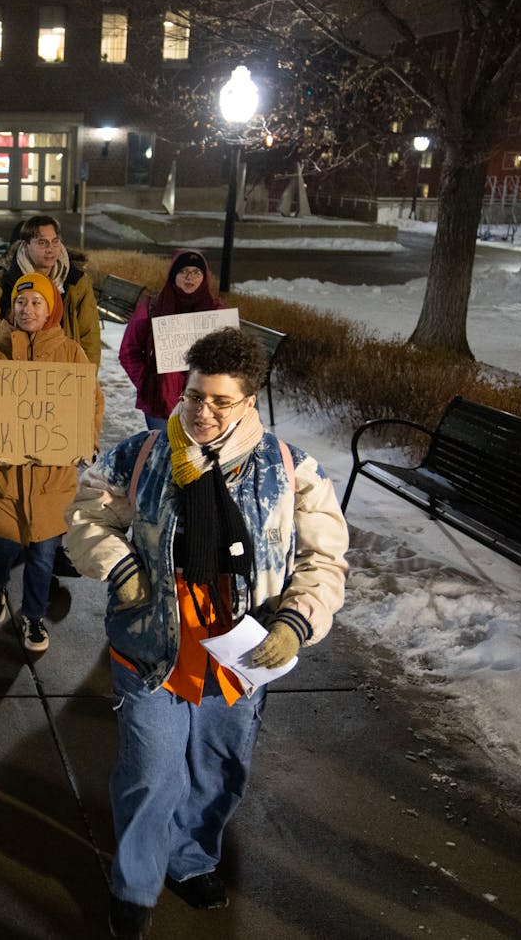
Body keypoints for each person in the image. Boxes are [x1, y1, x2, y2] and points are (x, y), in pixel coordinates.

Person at [64, 328, 349, 940]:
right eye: (195, 396)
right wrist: (119, 567)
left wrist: (296, 623)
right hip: (152, 647)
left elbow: (324, 560)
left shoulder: (290, 470)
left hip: (241, 654)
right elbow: (86, 513)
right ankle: (135, 884)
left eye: (221, 401)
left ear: (250, 401)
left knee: (219, 768)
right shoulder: (142, 454)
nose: (202, 412)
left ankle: (192, 859)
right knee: (152, 768)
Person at [0, 274, 103, 652]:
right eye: (21, 303)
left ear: (51, 307)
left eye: (37, 302)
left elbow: (91, 401)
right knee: (5, 544)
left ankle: (34, 618)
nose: (28, 310)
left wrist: (85, 440)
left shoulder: (71, 353)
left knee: (43, 553)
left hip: (50, 476)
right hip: (3, 474)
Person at [0, 215, 101, 365]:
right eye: (42, 243)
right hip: (13, 376)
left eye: (55, 242)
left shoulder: (77, 283)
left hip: (63, 375)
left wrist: (85, 377)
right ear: (25, 245)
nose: (50, 249)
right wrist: (1, 364)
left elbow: (90, 337)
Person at [120, 250, 226, 429]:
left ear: (204, 277)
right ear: (173, 275)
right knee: (165, 456)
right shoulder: (153, 306)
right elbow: (129, 350)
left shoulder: (216, 311)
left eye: (196, 272)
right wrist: (145, 382)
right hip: (160, 405)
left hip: (205, 406)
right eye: (183, 271)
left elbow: (229, 355)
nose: (189, 277)